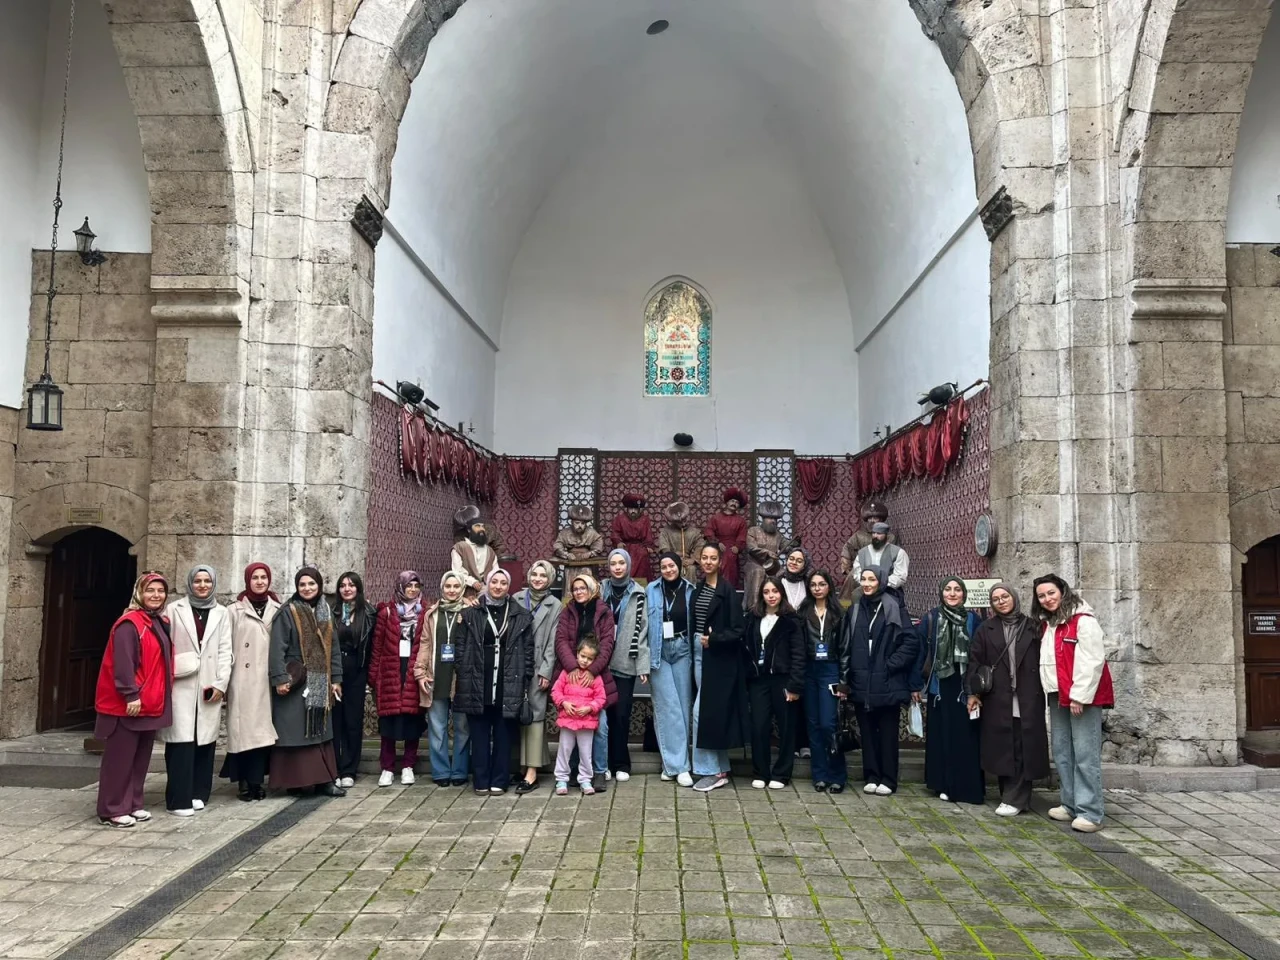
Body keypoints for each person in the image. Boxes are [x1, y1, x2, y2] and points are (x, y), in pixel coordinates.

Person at [1032, 573, 1114, 832]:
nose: (1047, 599)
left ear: (1063, 591)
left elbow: (1091, 660)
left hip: (1081, 697)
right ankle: (1070, 803)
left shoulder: (1083, 621)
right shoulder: (1049, 624)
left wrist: (1079, 695)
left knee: (1085, 753)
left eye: (1051, 593)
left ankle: (1090, 811)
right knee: (1063, 751)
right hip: (1057, 694)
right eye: (1042, 596)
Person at [94, 572, 173, 827]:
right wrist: (131, 693)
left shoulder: (157, 621)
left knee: (140, 758)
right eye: (150, 590)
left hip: (149, 702)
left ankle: (133, 802)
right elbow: (123, 663)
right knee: (120, 758)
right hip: (129, 703)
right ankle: (112, 808)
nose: (156, 595)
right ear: (140, 593)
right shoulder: (129, 624)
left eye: (160, 591)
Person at [967, 583, 1048, 816]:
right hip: (998, 696)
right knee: (1004, 745)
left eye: (1005, 596)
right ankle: (1009, 795)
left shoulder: (1033, 626)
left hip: (1027, 695)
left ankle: (1016, 798)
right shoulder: (986, 629)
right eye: (995, 599)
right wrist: (973, 693)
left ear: (1013, 597)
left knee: (1024, 744)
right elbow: (975, 662)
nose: (1001, 601)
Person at [159, 565, 232, 816]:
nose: (202, 585)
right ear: (190, 583)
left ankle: (199, 792)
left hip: (209, 682)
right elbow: (165, 644)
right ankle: (178, 799)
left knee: (205, 740)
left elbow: (226, 651)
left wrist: (221, 684)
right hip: (181, 682)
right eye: (198, 581)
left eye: (207, 581)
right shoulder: (174, 609)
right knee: (181, 741)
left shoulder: (222, 613)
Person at [455, 569, 535, 794]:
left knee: (503, 735)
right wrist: (463, 669)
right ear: (487, 584)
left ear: (509, 587)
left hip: (508, 681)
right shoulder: (470, 613)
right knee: (479, 735)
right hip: (477, 679)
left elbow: (528, 651)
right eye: (494, 582)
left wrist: (525, 677)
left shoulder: (521, 615)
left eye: (503, 583)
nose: (498, 586)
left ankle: (499, 780)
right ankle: (480, 780)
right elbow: (460, 647)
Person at [269, 567, 345, 796]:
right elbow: (277, 648)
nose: (307, 588)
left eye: (311, 584)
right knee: (296, 731)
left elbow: (334, 649)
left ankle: (324, 781)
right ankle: (297, 781)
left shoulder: (325, 611)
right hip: (296, 681)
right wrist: (280, 678)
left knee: (320, 730)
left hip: (321, 680)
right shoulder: (288, 612)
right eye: (302, 584)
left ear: (319, 585)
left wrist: (337, 679)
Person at [845, 566, 918, 796]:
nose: (866, 583)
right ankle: (872, 775)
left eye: (871, 579)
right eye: (864, 579)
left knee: (887, 734)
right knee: (867, 732)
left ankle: (888, 778)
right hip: (861, 681)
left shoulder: (894, 606)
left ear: (881, 581)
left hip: (887, 682)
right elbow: (846, 644)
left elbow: (911, 642)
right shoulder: (855, 608)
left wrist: (889, 664)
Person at [913, 577, 984, 805]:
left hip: (964, 686)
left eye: (957, 590)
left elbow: (980, 656)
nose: (952, 594)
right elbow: (920, 651)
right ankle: (942, 783)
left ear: (964, 593)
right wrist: (915, 684)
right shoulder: (932, 618)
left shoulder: (974, 620)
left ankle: (965, 786)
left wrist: (976, 690)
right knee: (941, 735)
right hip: (940, 685)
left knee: (965, 736)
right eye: (947, 589)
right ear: (941, 593)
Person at [691, 542, 749, 792]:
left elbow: (738, 630)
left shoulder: (728, 592)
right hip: (699, 654)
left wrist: (714, 638)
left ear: (720, 561)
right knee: (709, 713)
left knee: (701, 714)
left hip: (720, 659)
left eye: (713, 558)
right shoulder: (699, 588)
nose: (708, 562)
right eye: (704, 557)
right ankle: (721, 767)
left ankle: (709, 771)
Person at [221, 563, 281, 801]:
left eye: (263, 577)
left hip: (265, 680)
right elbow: (226, 646)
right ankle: (243, 782)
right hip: (242, 680)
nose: (259, 581)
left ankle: (257, 781)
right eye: (254, 577)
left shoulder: (278, 608)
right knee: (242, 733)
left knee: (261, 735)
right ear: (248, 580)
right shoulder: (233, 610)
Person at [554, 572, 616, 792]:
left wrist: (592, 670)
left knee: (600, 726)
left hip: (597, 676)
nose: (579, 592)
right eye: (576, 589)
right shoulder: (567, 612)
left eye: (583, 588)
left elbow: (608, 644)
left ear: (592, 589)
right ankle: (571, 772)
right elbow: (561, 640)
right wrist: (573, 667)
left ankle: (598, 771)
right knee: (570, 726)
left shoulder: (603, 612)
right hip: (570, 676)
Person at [370, 572, 429, 787]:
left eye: (416, 585)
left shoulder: (425, 612)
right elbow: (377, 646)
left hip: (413, 671)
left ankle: (408, 766)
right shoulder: (387, 612)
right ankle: (387, 767)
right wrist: (374, 677)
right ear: (400, 587)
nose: (412, 589)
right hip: (390, 672)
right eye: (409, 585)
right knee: (389, 724)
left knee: (412, 722)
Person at [745, 576, 804, 789]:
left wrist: (795, 685)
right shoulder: (752, 618)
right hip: (759, 680)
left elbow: (799, 654)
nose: (771, 596)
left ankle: (781, 774)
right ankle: (760, 772)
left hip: (783, 680)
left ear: (782, 594)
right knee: (759, 726)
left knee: (786, 727)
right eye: (767, 592)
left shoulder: (791, 621)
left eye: (775, 591)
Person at [416, 572, 471, 787]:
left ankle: (459, 770)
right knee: (437, 728)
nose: (452, 590)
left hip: (460, 679)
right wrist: (420, 672)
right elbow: (425, 643)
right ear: (442, 588)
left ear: (462, 589)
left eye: (456, 586)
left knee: (462, 728)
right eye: (448, 586)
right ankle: (440, 771)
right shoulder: (432, 613)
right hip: (436, 676)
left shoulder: (470, 612)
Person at [600, 548, 650, 781]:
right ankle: (604, 763)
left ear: (628, 565)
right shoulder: (600, 590)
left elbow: (642, 632)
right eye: (613, 563)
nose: (617, 567)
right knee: (603, 715)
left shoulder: (639, 593)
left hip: (624, 663)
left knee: (621, 714)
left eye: (622, 563)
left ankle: (621, 763)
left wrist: (642, 666)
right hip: (600, 662)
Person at [647, 551, 696, 786]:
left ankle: (672, 764)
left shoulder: (690, 590)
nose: (668, 570)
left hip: (683, 648)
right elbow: (644, 625)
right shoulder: (651, 590)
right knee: (667, 707)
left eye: (672, 566)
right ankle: (680, 766)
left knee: (684, 706)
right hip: (659, 650)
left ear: (679, 567)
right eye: (664, 566)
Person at [797, 570, 849, 793]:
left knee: (829, 724)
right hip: (810, 670)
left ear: (829, 586)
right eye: (813, 585)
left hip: (830, 669)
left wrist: (844, 680)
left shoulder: (839, 613)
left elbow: (846, 648)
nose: (817, 588)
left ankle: (837, 774)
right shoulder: (803, 612)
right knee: (814, 724)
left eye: (822, 584)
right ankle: (819, 775)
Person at [511, 559, 560, 793]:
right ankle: (521, 765)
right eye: (535, 574)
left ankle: (532, 772)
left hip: (538, 666)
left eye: (543, 575)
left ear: (549, 579)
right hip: (514, 664)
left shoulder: (555, 605)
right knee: (516, 713)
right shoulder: (517, 599)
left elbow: (553, 641)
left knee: (536, 715)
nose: (538, 579)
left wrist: (547, 670)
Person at [331, 572, 375, 787]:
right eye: (342, 585)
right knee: (334, 721)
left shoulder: (368, 612)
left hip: (357, 670)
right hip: (334, 671)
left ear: (358, 588)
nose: (347, 589)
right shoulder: (331, 611)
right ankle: (334, 768)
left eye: (351, 585)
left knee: (353, 721)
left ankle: (349, 769)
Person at [551, 636, 608, 796]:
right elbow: (556, 691)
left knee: (585, 751)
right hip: (568, 719)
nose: (585, 661)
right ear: (577, 654)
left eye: (590, 659)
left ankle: (585, 779)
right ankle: (561, 778)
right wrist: (564, 703)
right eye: (583, 656)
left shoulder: (595, 678)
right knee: (564, 749)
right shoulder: (566, 673)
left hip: (586, 721)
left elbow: (601, 698)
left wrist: (590, 708)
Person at [839, 501, 896, 602]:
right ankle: (844, 609)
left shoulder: (890, 537)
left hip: (881, 570)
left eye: (875, 518)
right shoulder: (858, 535)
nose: (872, 521)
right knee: (851, 579)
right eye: (870, 518)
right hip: (861, 569)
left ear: (881, 520)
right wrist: (847, 568)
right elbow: (847, 549)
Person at [851, 523, 910, 617]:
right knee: (855, 597)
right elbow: (857, 573)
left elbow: (900, 576)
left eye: (879, 534)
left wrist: (880, 585)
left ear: (886, 535)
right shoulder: (862, 553)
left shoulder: (898, 553)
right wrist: (868, 583)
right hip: (866, 590)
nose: (875, 536)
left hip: (889, 590)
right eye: (874, 533)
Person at [743, 502, 788, 615]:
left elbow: (787, 547)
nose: (773, 521)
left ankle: (782, 609)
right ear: (763, 518)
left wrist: (795, 543)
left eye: (775, 519)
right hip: (754, 565)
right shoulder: (753, 531)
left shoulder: (778, 535)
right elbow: (751, 548)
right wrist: (767, 553)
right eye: (770, 518)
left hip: (772, 567)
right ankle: (754, 608)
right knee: (759, 571)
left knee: (785, 574)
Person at [703, 488, 749, 588]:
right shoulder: (716, 518)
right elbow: (709, 531)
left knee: (729, 558)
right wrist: (716, 542)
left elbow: (742, 536)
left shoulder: (741, 521)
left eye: (737, 502)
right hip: (717, 546)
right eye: (732, 501)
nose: (734, 503)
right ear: (727, 502)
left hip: (732, 548)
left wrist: (737, 547)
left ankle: (727, 588)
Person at [451, 505, 498, 601]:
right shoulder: (460, 547)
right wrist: (472, 582)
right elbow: (457, 572)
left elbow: (495, 572)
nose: (481, 529)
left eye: (482, 526)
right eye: (477, 526)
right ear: (469, 530)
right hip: (466, 587)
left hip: (486, 588)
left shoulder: (490, 550)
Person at [610, 493, 655, 582]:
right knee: (623, 559)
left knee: (643, 555)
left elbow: (648, 535)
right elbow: (615, 534)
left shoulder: (644, 519)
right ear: (627, 509)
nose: (633, 511)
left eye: (635, 509)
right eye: (631, 509)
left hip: (640, 547)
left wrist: (648, 547)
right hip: (625, 547)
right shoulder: (620, 518)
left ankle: (641, 586)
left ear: (639, 510)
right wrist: (618, 542)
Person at [657, 501, 705, 582]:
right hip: (672, 561)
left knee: (691, 569)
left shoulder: (694, 532)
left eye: (684, 520)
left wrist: (693, 559)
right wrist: (676, 560)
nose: (683, 523)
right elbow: (664, 548)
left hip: (688, 562)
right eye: (679, 522)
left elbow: (700, 546)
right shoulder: (665, 532)